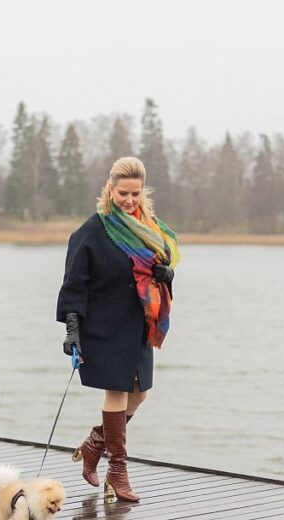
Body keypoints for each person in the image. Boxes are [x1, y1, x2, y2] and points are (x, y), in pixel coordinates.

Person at [56, 157, 181, 502]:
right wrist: (71, 329)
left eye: (135, 194)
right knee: (117, 392)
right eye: (123, 193)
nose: (129, 200)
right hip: (103, 326)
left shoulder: (150, 228)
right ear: (110, 189)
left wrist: (166, 275)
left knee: (140, 394)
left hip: (139, 325)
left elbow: (161, 265)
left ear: (143, 192)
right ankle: (118, 472)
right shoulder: (91, 232)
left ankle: (95, 443)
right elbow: (73, 286)